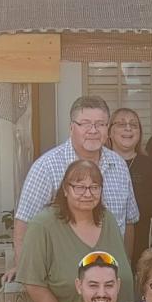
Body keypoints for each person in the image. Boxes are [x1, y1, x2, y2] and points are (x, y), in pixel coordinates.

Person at [13, 95, 139, 264]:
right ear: (71, 128)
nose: (93, 130)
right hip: (61, 274)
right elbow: (24, 224)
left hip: (110, 276)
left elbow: (128, 221)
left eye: (100, 124)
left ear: (107, 129)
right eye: (85, 124)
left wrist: (125, 267)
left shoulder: (119, 165)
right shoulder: (47, 167)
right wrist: (24, 270)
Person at [16, 159, 135, 302]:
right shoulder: (43, 226)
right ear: (65, 189)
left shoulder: (108, 219)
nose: (88, 194)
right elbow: (33, 283)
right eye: (79, 187)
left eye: (94, 187)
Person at [107, 108, 152, 265]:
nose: (128, 128)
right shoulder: (99, 164)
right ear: (110, 132)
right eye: (121, 124)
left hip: (143, 255)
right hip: (103, 250)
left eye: (134, 125)